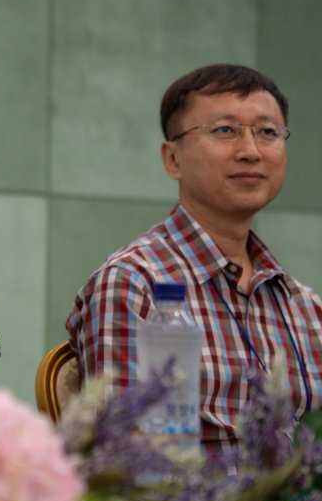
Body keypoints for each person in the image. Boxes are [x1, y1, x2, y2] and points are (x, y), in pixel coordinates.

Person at [67, 63, 322, 457]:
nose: (250, 151)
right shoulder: (134, 284)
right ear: (173, 159)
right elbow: (123, 462)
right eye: (225, 130)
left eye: (268, 132)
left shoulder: (307, 308)